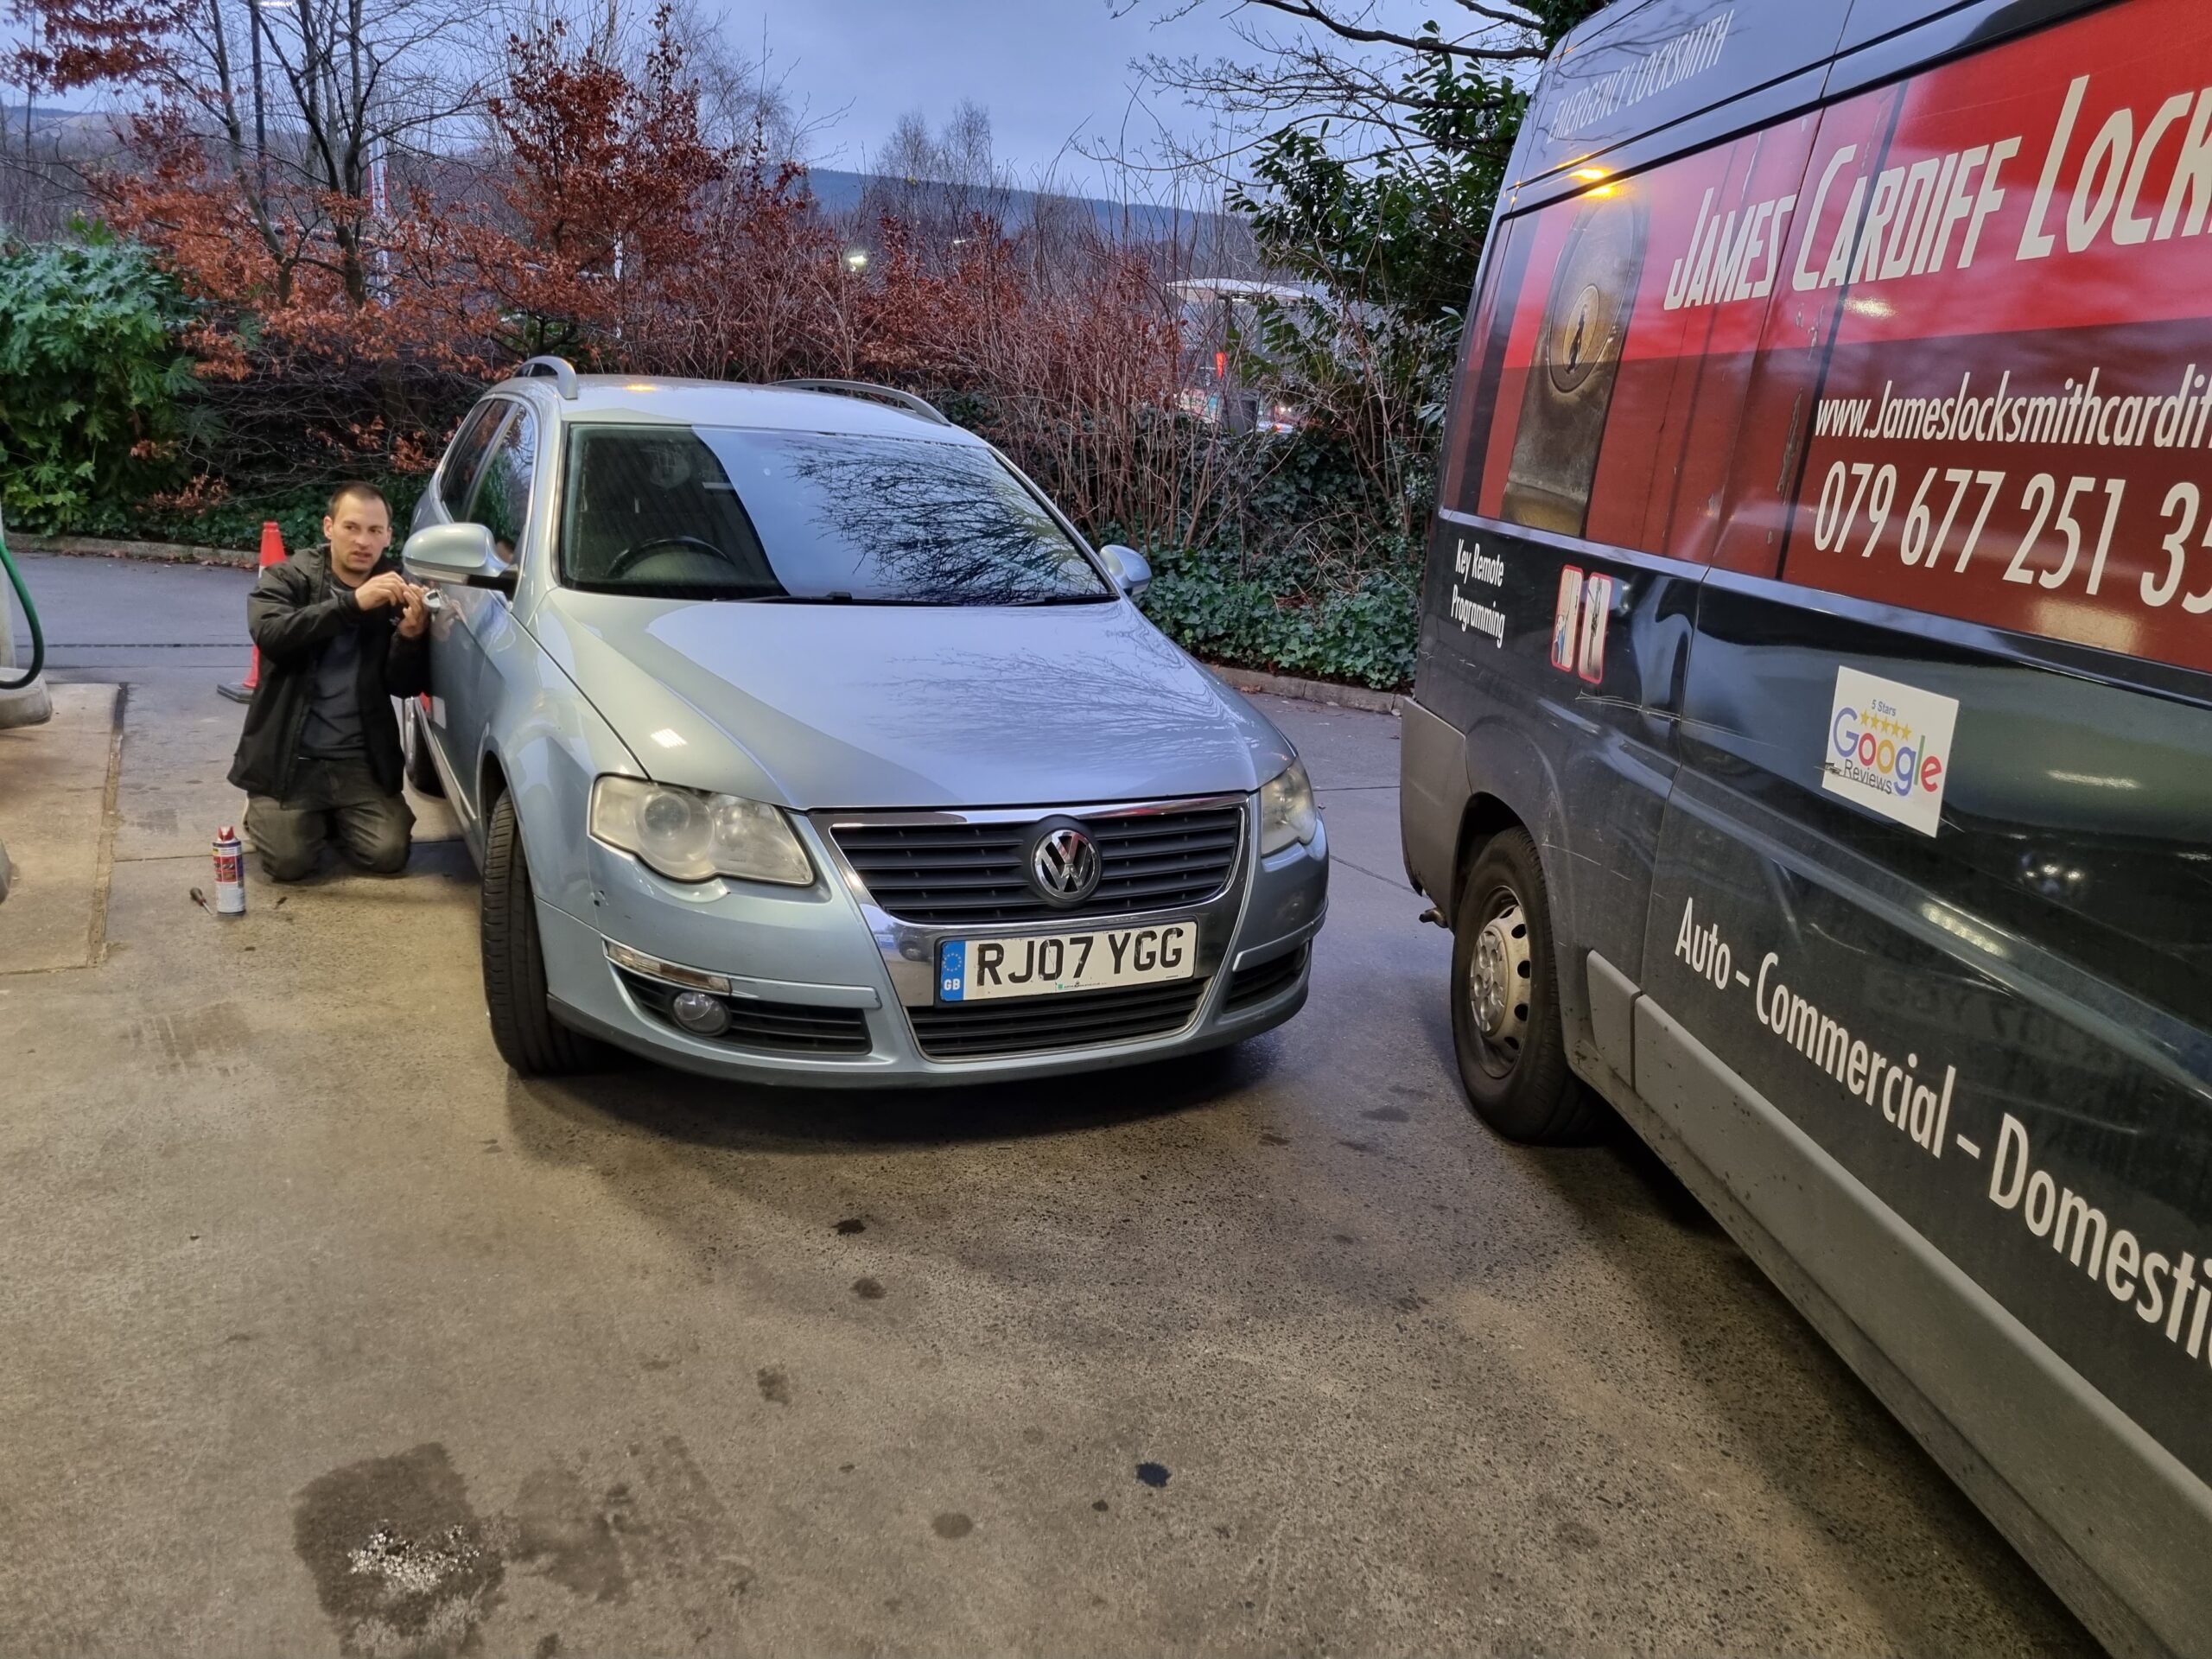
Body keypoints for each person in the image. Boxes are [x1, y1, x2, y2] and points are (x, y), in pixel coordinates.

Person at [228, 482, 431, 880]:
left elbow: (404, 686)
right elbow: (271, 634)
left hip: (359, 759)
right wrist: (352, 604)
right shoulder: (289, 577)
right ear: (328, 527)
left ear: (389, 535)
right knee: (290, 864)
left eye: (375, 531)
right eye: (351, 527)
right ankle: (266, 815)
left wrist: (409, 637)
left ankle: (334, 816)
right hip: (291, 758)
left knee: (389, 853)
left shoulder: (395, 587)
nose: (363, 541)